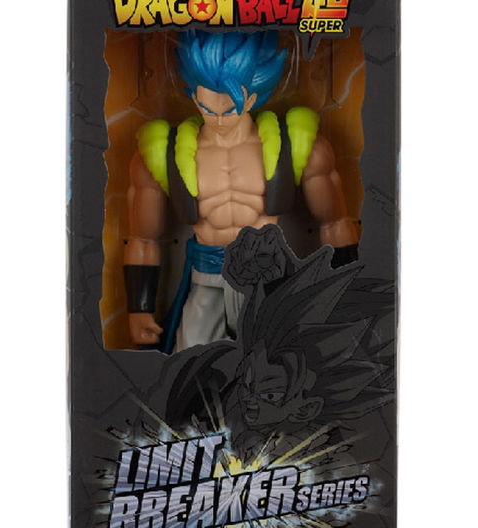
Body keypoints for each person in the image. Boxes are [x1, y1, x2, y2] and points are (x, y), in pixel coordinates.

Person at [123, 30, 358, 352]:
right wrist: (139, 308)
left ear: (251, 98)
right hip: (207, 280)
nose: (219, 120)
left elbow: (335, 222)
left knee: (283, 369)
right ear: (194, 97)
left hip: (269, 281)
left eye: (230, 108)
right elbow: (142, 238)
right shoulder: (162, 154)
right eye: (208, 108)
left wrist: (345, 293)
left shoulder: (298, 145)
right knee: (190, 369)